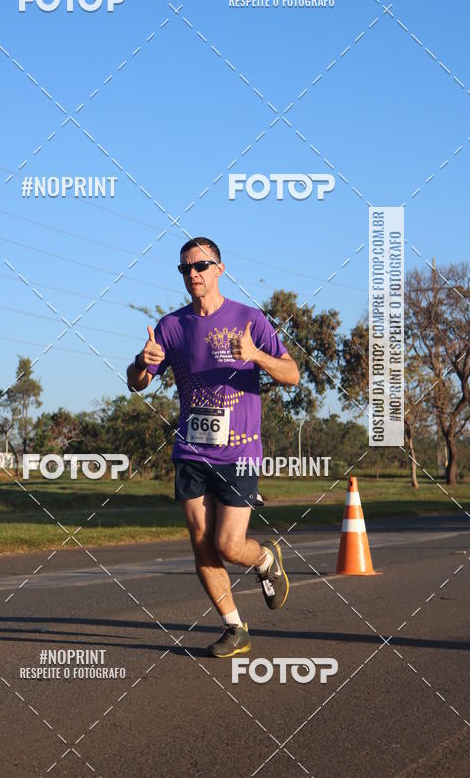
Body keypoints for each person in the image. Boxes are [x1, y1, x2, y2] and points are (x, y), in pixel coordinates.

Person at [127, 237, 300, 657]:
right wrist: (141, 361)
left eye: (201, 265)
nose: (193, 274)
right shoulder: (172, 326)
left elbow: (292, 375)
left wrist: (257, 355)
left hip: (239, 452)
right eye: (186, 268)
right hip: (191, 450)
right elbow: (138, 383)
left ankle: (264, 561)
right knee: (201, 542)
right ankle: (234, 627)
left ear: (220, 268)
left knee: (228, 544)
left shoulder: (250, 319)